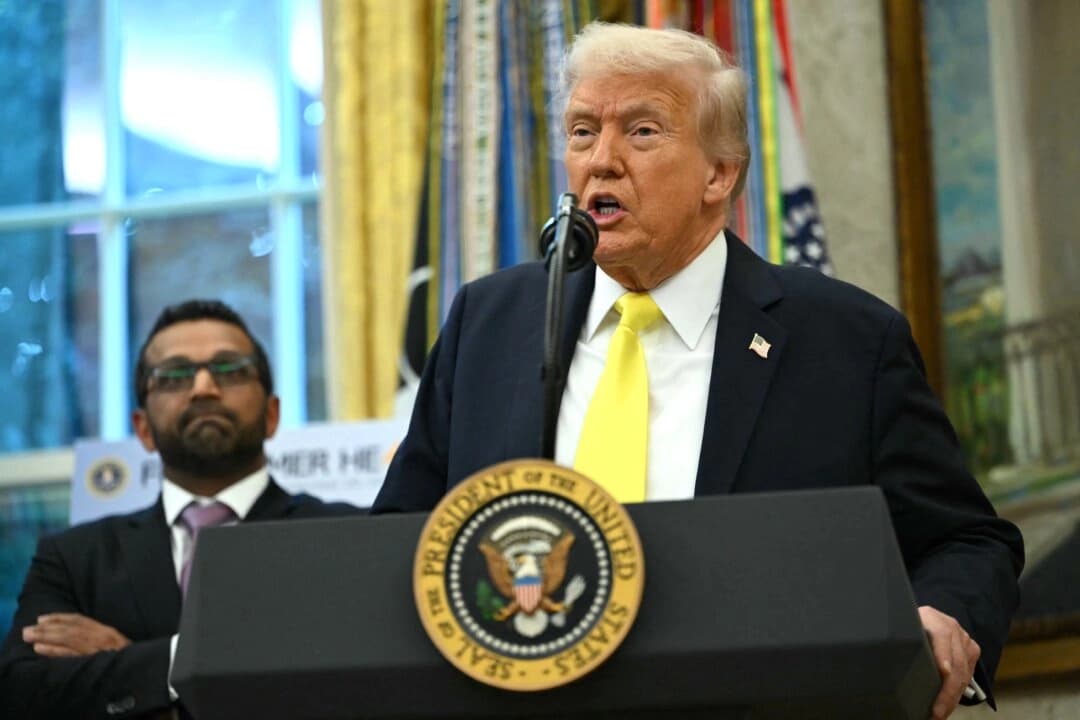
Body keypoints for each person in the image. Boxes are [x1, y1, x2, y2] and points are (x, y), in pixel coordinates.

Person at [372, 22, 1023, 720]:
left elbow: (968, 540)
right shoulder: (489, 325)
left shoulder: (845, 341)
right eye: (583, 131)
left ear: (720, 173)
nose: (602, 161)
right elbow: (397, 542)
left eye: (643, 131)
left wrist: (944, 615)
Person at [0, 299, 359, 718]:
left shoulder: (345, 535)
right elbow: (21, 694)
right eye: (173, 377)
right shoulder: (75, 559)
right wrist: (175, 660)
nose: (204, 387)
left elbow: (351, 686)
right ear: (143, 429)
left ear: (272, 415)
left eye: (230, 369)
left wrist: (140, 661)